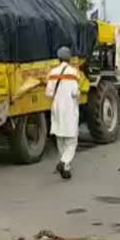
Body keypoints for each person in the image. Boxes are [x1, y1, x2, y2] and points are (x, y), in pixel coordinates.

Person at [46, 46, 80, 180]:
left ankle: (66, 168)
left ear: (59, 58)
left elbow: (49, 93)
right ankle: (64, 162)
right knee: (72, 139)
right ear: (69, 58)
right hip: (69, 108)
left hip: (57, 107)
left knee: (60, 137)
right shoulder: (74, 72)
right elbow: (75, 93)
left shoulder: (52, 72)